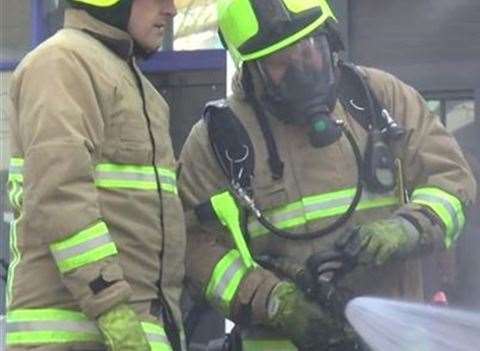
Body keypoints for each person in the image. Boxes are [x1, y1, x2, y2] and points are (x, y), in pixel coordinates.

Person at [178, 0, 476, 350]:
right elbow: (192, 248)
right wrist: (276, 302)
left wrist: (405, 229)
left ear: (331, 42)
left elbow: (452, 181)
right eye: (280, 62)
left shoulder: (379, 98)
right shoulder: (218, 139)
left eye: (310, 50)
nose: (303, 70)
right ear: (252, 68)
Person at [6, 0, 186, 350]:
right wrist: (110, 307)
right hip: (78, 336)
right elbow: (61, 196)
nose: (171, 10)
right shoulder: (62, 63)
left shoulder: (137, 87)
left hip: (127, 333)